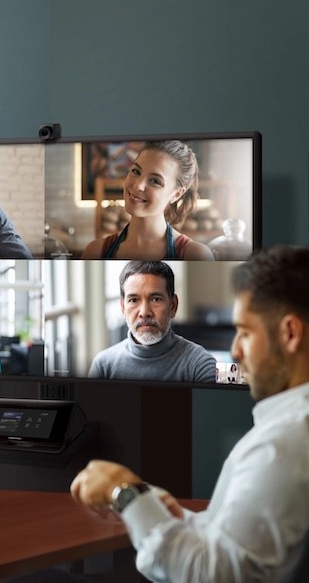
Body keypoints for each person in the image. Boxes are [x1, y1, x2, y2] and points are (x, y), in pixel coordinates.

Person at [71, 246, 309, 582]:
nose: (236, 351)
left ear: (289, 334)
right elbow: (229, 541)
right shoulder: (285, 432)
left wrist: (124, 492)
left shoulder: (282, 445)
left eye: (245, 332)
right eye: (133, 300)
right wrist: (156, 506)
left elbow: (214, 574)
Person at [81, 140, 215, 260]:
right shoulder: (95, 252)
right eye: (136, 171)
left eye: (155, 181)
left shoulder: (195, 255)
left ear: (176, 194)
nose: (138, 185)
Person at [88, 260, 216, 383]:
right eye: (133, 300)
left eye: (156, 299)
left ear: (173, 306)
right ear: (123, 307)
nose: (144, 312)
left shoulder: (200, 364)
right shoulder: (103, 366)